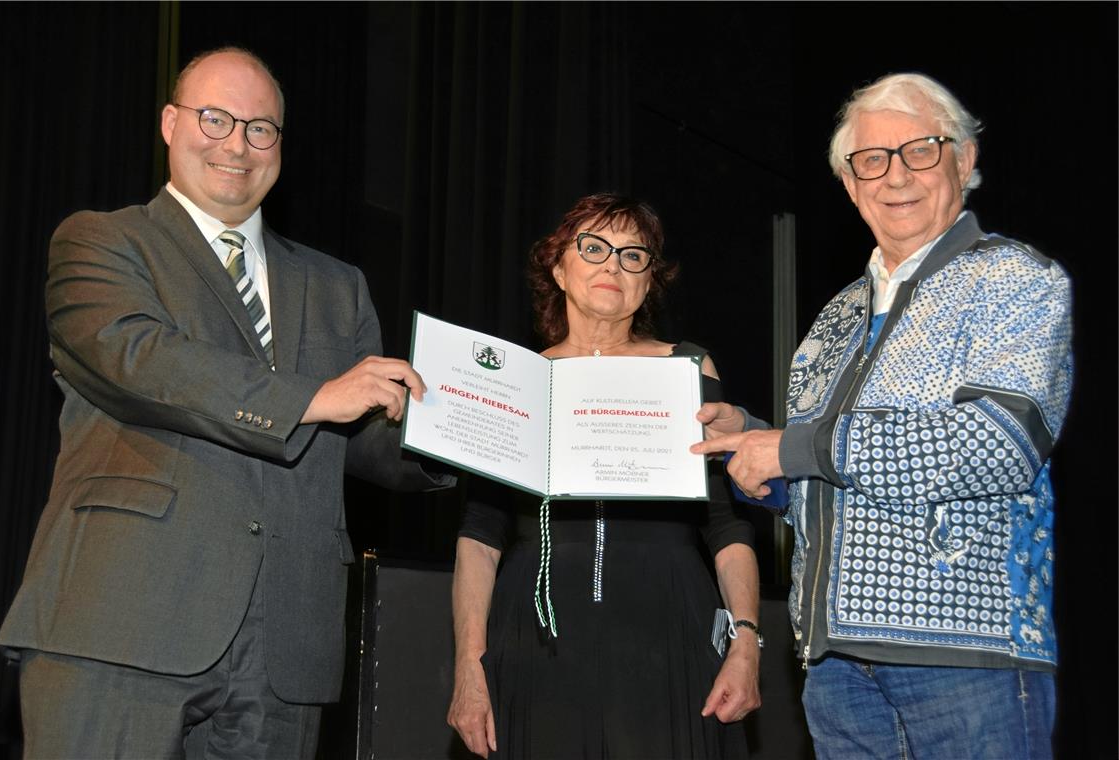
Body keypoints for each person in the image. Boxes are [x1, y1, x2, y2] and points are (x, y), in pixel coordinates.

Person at [0, 47, 451, 758]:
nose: (237, 145)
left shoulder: (339, 285)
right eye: (215, 118)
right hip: (123, 615)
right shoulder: (102, 241)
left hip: (285, 641)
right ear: (170, 123)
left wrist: (459, 436)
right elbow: (139, 361)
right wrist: (314, 396)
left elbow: (360, 435)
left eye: (260, 128)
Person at [693, 73, 1073, 759]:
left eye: (920, 150)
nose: (896, 175)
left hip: (968, 661)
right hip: (835, 671)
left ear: (965, 159)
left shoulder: (1016, 279)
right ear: (849, 183)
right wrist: (751, 447)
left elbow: (998, 445)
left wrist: (793, 449)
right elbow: (818, 486)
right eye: (871, 159)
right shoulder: (835, 318)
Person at [447, 194, 761, 759]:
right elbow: (481, 536)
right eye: (593, 248)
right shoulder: (515, 381)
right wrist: (469, 665)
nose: (613, 265)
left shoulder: (688, 368)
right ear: (558, 268)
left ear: (649, 281)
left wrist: (746, 641)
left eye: (632, 255)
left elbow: (726, 524)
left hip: (669, 630)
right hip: (536, 637)